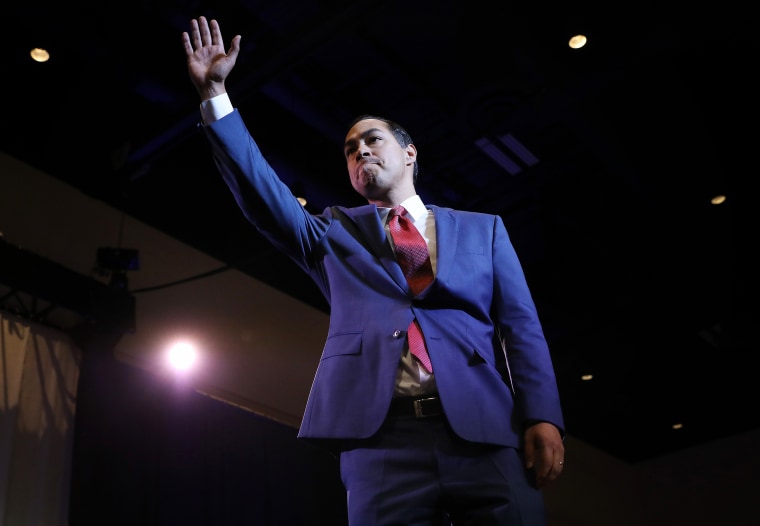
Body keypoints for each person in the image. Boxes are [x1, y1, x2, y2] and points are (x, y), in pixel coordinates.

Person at [182, 16, 566, 526]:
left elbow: (521, 327)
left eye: (373, 139)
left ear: (409, 153)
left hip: (486, 431)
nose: (359, 149)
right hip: (381, 441)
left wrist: (542, 415)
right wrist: (216, 96)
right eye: (349, 149)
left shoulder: (484, 230)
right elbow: (262, 194)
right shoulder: (332, 233)